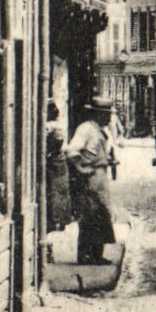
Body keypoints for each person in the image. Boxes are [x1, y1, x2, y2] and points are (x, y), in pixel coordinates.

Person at [64, 97, 117, 265]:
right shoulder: (86, 129)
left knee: (101, 215)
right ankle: (86, 255)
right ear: (98, 114)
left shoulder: (98, 129)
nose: (109, 118)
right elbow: (71, 151)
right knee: (90, 215)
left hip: (99, 176)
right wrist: (82, 169)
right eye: (107, 115)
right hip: (91, 178)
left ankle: (96, 255)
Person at [44, 100, 73, 250]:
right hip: (60, 164)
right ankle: (59, 220)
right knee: (59, 194)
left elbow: (52, 143)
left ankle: (54, 221)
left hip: (53, 165)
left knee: (53, 195)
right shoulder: (59, 125)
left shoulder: (50, 127)